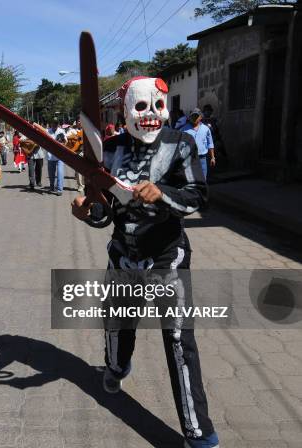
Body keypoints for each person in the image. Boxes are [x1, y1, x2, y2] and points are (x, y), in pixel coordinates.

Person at [71, 76, 219, 448]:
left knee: (179, 341)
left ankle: (197, 432)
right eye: (141, 107)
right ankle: (117, 366)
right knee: (117, 324)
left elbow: (197, 197)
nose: (151, 115)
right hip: (124, 254)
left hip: (168, 256)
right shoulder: (110, 150)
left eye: (157, 106)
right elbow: (104, 212)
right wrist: (87, 212)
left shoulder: (181, 144)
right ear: (125, 112)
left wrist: (162, 194)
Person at [180, 108, 215, 179]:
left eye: (196, 116)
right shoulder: (183, 130)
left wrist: (212, 157)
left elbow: (210, 143)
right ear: (189, 118)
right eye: (192, 116)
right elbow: (180, 145)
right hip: (189, 159)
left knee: (203, 179)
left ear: (201, 117)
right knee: (191, 179)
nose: (194, 118)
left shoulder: (206, 129)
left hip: (202, 159)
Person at [46, 120, 66, 196]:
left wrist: (62, 140)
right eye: (53, 123)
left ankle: (59, 189)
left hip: (60, 156)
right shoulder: (47, 131)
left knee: (60, 173)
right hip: (50, 156)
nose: (54, 124)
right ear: (51, 123)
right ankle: (51, 186)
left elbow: (65, 142)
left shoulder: (61, 131)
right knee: (51, 174)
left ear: (58, 124)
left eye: (56, 123)